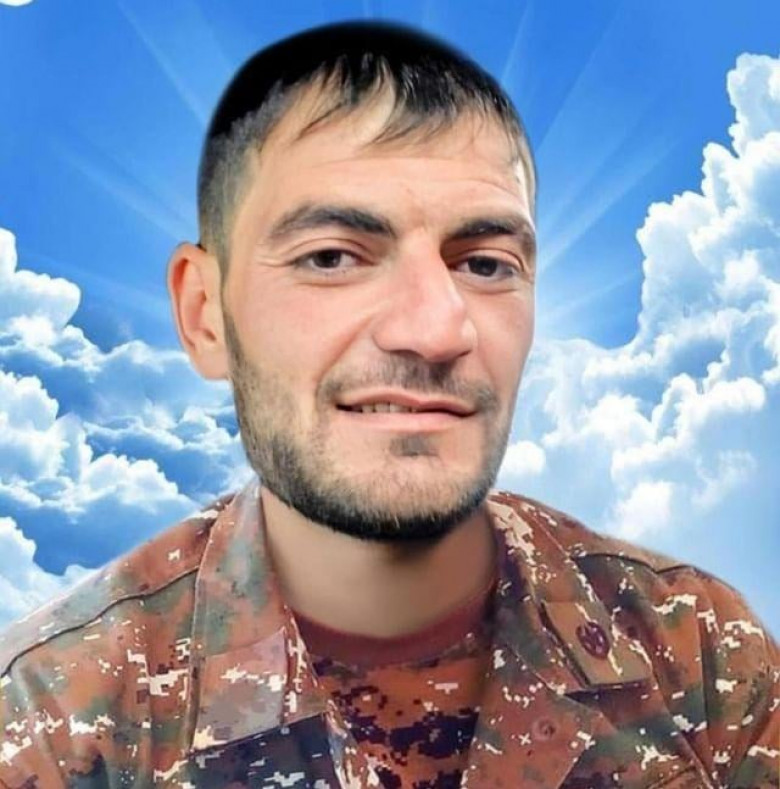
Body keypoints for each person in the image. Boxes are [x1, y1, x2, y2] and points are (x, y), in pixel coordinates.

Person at [0, 21, 777, 789]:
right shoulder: (54, 720)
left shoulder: (699, 656)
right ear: (205, 316)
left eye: (484, 264)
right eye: (332, 257)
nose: (435, 329)